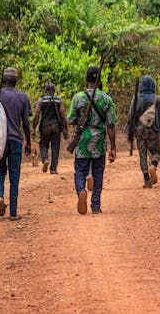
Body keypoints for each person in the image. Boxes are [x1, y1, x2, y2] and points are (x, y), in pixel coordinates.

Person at [67, 66, 117, 215]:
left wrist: (81, 120)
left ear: (86, 80)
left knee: (80, 171)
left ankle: (81, 190)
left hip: (82, 140)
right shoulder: (106, 99)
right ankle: (95, 205)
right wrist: (113, 147)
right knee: (98, 173)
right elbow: (111, 125)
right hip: (99, 142)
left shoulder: (78, 97)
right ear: (99, 80)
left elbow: (70, 119)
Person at [0, 67, 31, 220]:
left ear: (3, 80)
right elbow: (26, 122)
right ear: (16, 81)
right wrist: (29, 142)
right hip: (16, 140)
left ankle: (0, 196)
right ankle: (13, 213)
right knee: (14, 176)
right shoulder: (23, 97)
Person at [127, 75, 160, 188]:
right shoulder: (158, 99)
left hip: (139, 131)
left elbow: (131, 118)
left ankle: (147, 180)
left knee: (142, 155)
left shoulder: (136, 99)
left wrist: (130, 134)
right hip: (153, 130)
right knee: (157, 152)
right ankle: (153, 166)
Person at [32, 82, 69, 174]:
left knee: (43, 145)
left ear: (46, 91)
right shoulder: (58, 100)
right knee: (55, 147)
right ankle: (53, 169)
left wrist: (34, 128)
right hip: (56, 126)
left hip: (44, 126)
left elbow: (36, 115)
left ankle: (45, 160)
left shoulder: (41, 100)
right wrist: (66, 129)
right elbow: (63, 115)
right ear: (54, 90)